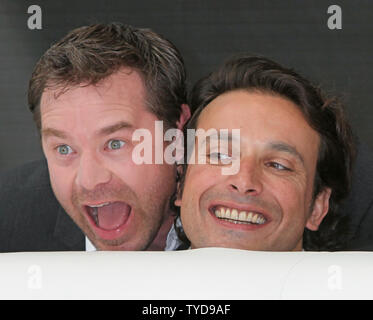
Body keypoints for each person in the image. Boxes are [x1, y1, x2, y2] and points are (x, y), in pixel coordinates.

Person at [0, 22, 190, 252]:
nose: (89, 181)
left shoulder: (230, 215)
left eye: (115, 143)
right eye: (64, 149)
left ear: (176, 132)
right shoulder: (9, 218)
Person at [172, 54, 356, 251]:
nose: (244, 182)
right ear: (181, 184)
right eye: (220, 156)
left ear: (317, 207)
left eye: (278, 165)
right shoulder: (135, 280)